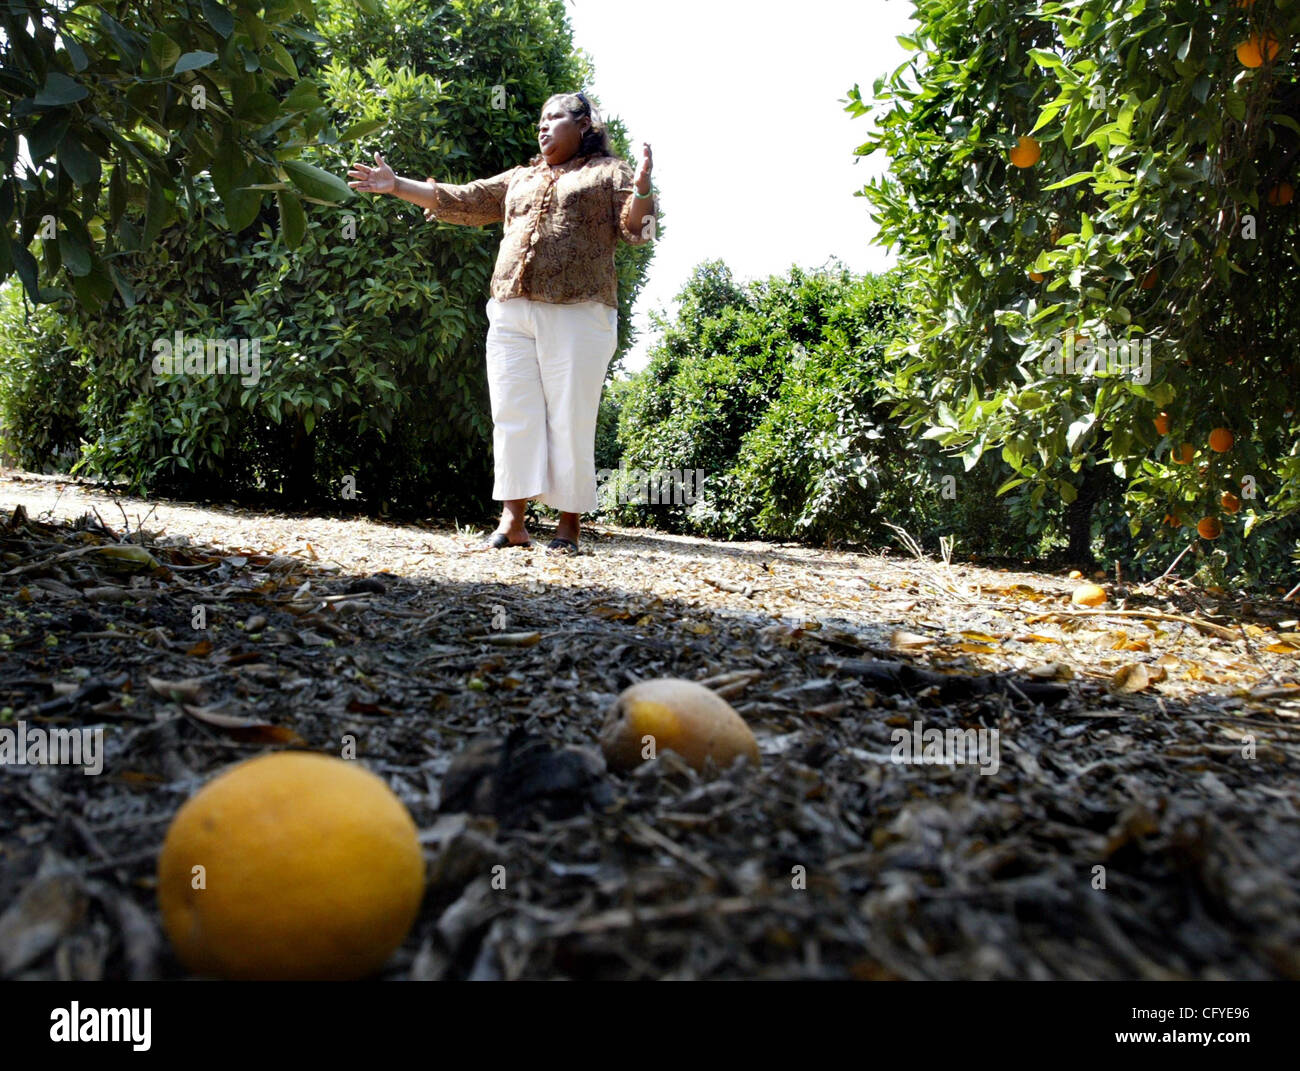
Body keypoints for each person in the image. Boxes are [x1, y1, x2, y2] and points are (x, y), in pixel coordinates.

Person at [346, 90, 656, 554]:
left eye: (555, 119)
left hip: (579, 310)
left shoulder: (609, 173)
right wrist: (396, 185)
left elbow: (640, 231)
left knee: (569, 417)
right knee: (512, 413)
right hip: (510, 308)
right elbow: (464, 199)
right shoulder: (522, 177)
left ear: (585, 124)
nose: (543, 127)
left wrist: (644, 189)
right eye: (540, 120)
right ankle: (513, 522)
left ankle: (568, 526)